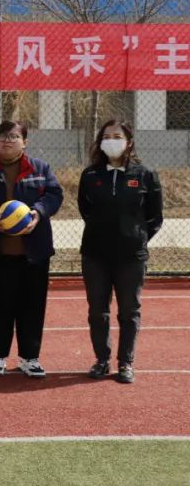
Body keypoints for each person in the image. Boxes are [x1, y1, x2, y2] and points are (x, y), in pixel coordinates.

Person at [0, 120, 63, 378]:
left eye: (14, 136)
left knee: (33, 305)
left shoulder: (41, 169)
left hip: (34, 252)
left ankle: (30, 358)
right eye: (2, 136)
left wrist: (37, 212)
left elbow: (54, 195)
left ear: (24, 142)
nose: (7, 140)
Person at [78, 119, 163, 384]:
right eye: (107, 136)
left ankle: (126, 362)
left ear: (129, 142)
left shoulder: (145, 174)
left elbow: (154, 217)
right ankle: (102, 360)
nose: (111, 141)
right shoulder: (90, 175)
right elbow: (85, 210)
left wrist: (136, 238)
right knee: (97, 311)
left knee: (129, 310)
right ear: (100, 142)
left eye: (117, 136)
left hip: (131, 257)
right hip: (95, 255)